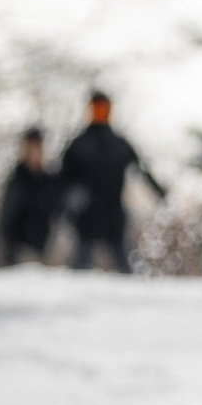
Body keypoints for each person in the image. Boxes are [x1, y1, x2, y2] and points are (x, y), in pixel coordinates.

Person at [59, 91, 166, 273]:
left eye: (104, 108)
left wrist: (160, 192)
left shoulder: (119, 145)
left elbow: (140, 169)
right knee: (80, 265)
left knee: (123, 264)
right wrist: (66, 205)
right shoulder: (79, 145)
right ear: (89, 110)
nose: (100, 112)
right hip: (86, 215)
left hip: (113, 213)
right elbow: (62, 179)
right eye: (96, 108)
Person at [0, 127, 61, 265]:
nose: (33, 152)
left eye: (36, 147)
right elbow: (7, 213)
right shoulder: (17, 179)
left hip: (40, 247)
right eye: (30, 147)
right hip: (16, 248)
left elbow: (56, 210)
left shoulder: (49, 181)